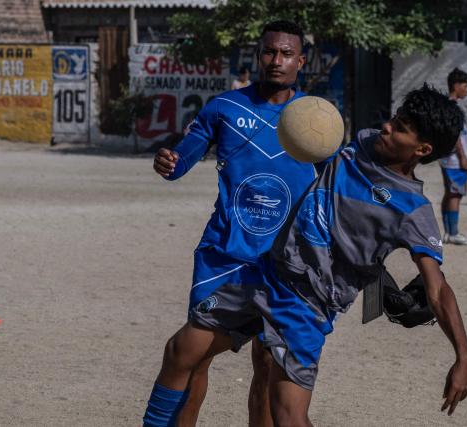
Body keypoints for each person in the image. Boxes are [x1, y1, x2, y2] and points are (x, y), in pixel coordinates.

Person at [146, 84, 467, 426]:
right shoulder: (362, 141)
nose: (388, 126)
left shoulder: (413, 211)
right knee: (180, 351)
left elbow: (437, 288)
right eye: (395, 118)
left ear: (422, 149)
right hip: (265, 276)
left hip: (305, 307)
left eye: (401, 128)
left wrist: (463, 356)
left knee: (287, 414)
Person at [143, 20, 313, 427]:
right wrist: (170, 161)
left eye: (286, 53)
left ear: (300, 61)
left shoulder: (314, 119)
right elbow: (184, 156)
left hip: (286, 264)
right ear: (258, 56)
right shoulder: (224, 108)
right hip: (227, 256)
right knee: (193, 355)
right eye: (269, 51)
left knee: (270, 368)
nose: (277, 60)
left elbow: (338, 187)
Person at [440, 67, 467, 245]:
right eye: (465, 86)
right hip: (454, 161)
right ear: (456, 86)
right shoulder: (451, 108)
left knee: (449, 193)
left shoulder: (448, 106)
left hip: (448, 159)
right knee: (455, 195)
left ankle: (447, 232)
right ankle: (453, 233)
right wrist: (463, 157)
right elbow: (455, 136)